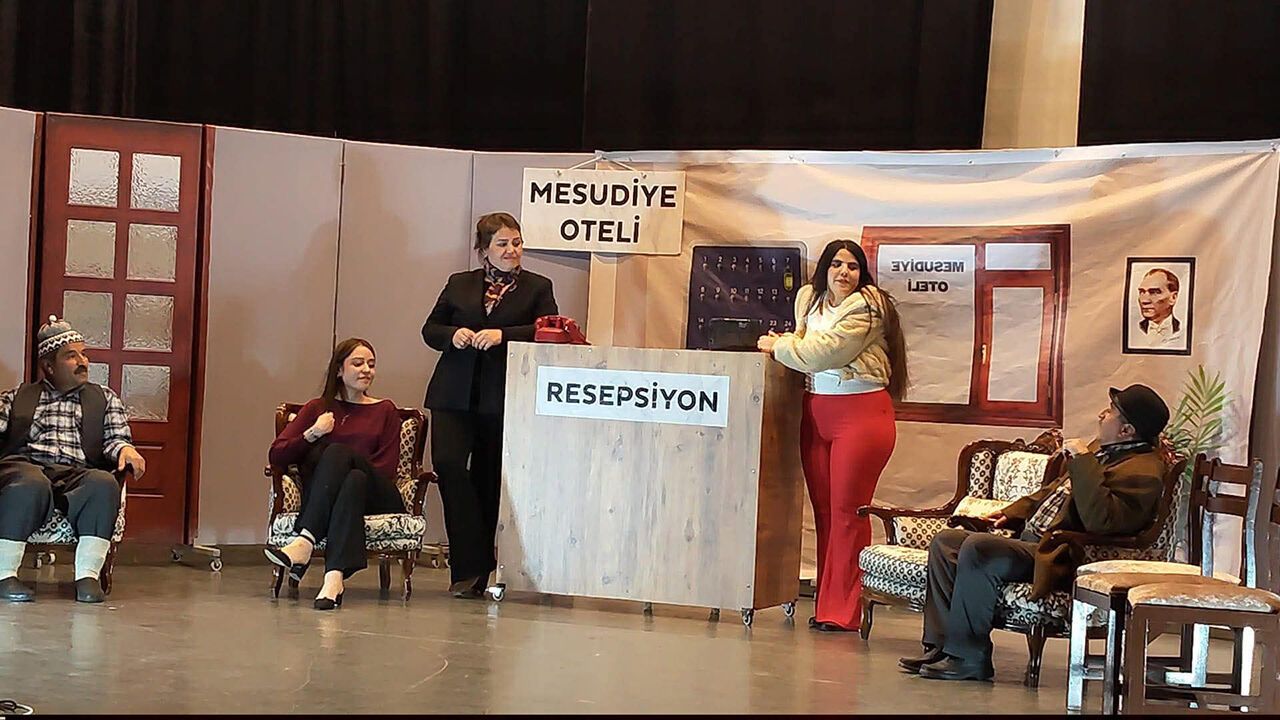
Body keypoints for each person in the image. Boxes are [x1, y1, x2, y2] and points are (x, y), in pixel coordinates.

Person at [900, 384, 1170, 681]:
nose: (1101, 415)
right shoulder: (1103, 451)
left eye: (1110, 412)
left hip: (1063, 553)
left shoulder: (1143, 471)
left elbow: (1101, 520)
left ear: (1126, 430)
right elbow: (1053, 490)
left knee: (979, 549)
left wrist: (1083, 461)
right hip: (1035, 543)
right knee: (946, 541)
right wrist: (1011, 513)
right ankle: (939, 647)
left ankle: (969, 657)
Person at [756, 239, 908, 632]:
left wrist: (779, 344)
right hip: (816, 411)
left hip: (860, 414)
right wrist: (793, 345)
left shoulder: (869, 306)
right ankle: (827, 604)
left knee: (847, 513)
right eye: (837, 264)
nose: (844, 272)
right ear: (825, 267)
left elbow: (821, 353)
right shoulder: (809, 300)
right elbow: (805, 347)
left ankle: (844, 612)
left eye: (853, 266)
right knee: (824, 513)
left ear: (862, 273)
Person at [422, 212, 558, 599]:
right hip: (453, 394)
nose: (512, 250)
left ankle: (474, 574)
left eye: (516, 242)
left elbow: (548, 329)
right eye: (502, 244)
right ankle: (471, 562)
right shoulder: (459, 283)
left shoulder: (537, 287)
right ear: (483, 249)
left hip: (501, 397)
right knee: (449, 466)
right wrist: (453, 335)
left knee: (487, 480)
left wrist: (503, 335)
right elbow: (430, 329)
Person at [0, 316, 146, 603]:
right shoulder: (18, 396)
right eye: (71, 356)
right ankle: (4, 575)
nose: (83, 362)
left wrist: (125, 450)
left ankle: (88, 577)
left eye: (83, 354)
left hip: (77, 471)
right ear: (49, 366)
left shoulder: (104, 398)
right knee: (29, 484)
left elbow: (116, 438)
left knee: (103, 484)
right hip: (26, 466)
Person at [266, 338, 405, 610]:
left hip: (378, 495)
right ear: (339, 370)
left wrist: (346, 461)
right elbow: (276, 455)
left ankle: (305, 540)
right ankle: (333, 579)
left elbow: (387, 468)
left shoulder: (385, 409)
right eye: (358, 363)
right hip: (343, 496)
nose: (366, 370)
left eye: (371, 364)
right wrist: (313, 433)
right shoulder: (317, 409)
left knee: (343, 458)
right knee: (353, 480)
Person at [1131, 268, 1183, 349]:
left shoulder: (1182, 328)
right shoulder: (1134, 330)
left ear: (1173, 298)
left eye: (1154, 292)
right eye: (1142, 292)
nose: (1144, 300)